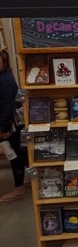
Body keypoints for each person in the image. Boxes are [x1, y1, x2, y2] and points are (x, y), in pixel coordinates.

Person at [0, 49, 28, 202]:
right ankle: (36, 181)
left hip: (11, 126)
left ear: (3, 63)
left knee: (16, 155)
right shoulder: (4, 77)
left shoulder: (5, 80)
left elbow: (8, 106)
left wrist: (3, 129)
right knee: (19, 154)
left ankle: (19, 188)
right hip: (12, 124)